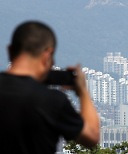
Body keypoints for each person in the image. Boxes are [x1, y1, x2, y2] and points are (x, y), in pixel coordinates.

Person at [0, 21, 99, 154]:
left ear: (10, 51)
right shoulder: (53, 101)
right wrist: (83, 91)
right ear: (47, 55)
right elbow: (92, 136)